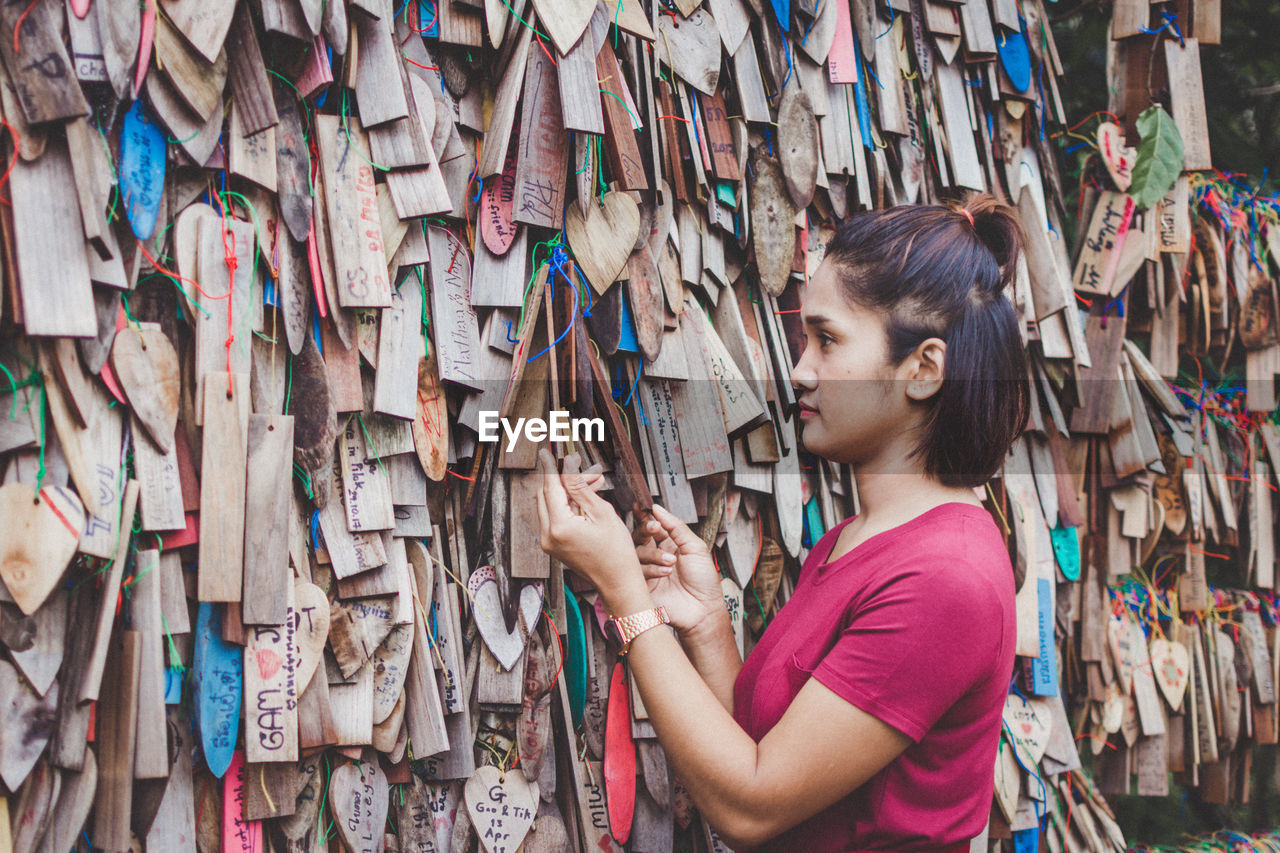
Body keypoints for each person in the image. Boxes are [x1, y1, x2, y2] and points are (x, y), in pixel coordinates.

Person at [536, 193, 1030, 852]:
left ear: (923, 370)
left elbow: (752, 807)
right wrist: (709, 622)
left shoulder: (945, 577)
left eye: (827, 340)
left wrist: (628, 599)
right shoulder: (857, 539)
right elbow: (765, 747)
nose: (800, 369)